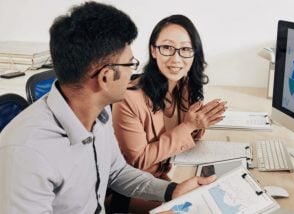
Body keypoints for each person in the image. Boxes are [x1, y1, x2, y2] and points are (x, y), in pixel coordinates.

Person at [0, 2, 215, 213]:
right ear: (105, 77)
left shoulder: (99, 114)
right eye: (130, 64)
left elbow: (117, 172)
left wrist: (172, 191)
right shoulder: (26, 154)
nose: (134, 73)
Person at [111, 15, 226, 212]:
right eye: (167, 48)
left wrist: (199, 123)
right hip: (135, 190)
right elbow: (138, 161)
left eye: (185, 49)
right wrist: (189, 126)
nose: (176, 59)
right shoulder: (128, 98)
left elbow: (189, 137)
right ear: (153, 51)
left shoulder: (184, 86)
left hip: (170, 176)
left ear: (194, 53)